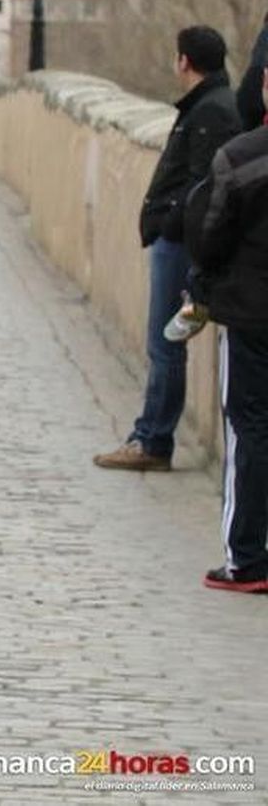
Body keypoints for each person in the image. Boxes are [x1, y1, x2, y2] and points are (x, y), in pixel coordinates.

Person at [95, 26, 242, 472]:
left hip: (179, 244)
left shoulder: (210, 111)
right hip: (177, 238)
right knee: (166, 341)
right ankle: (151, 434)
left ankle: (153, 439)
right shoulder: (210, 104)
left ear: (183, 61)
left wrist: (167, 225)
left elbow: (201, 184)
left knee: (166, 342)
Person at [184, 109, 268, 590]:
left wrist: (205, 286)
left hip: (251, 313)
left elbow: (210, 236)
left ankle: (247, 558)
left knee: (249, 425)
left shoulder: (240, 157)